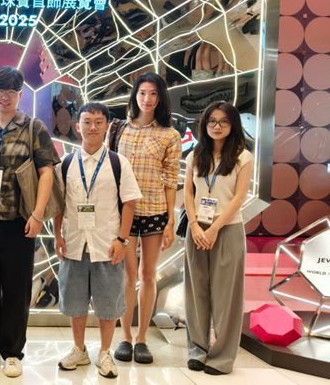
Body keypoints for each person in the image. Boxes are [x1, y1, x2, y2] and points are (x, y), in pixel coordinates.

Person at [0, 67, 61, 378]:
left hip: (20, 222)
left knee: (17, 289)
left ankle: (12, 352)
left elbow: (46, 172)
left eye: (11, 91)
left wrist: (38, 214)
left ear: (20, 95)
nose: (4, 97)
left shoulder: (33, 127)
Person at [54, 103, 142, 378]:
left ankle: (105, 352)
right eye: (87, 122)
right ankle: (79, 349)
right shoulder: (66, 163)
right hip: (74, 242)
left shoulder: (118, 162)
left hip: (107, 244)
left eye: (99, 122)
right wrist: (57, 235)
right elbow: (58, 204)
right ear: (77, 126)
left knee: (108, 301)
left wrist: (122, 240)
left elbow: (130, 203)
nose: (92, 127)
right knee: (75, 300)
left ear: (106, 126)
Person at [110, 72, 181, 364]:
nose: (147, 99)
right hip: (123, 212)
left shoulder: (170, 135)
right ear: (134, 95)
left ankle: (142, 339)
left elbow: (171, 180)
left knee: (148, 275)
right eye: (142, 93)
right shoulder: (119, 129)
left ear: (160, 98)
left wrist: (170, 221)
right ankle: (125, 337)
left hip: (154, 211)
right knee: (128, 276)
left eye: (153, 93)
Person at [184, 102, 252, 375]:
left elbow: (239, 197)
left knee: (227, 296)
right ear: (204, 124)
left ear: (233, 125)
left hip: (227, 229)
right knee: (196, 293)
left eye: (224, 121)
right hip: (196, 229)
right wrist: (194, 225)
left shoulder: (242, 156)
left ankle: (222, 357)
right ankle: (197, 350)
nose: (217, 126)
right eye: (212, 121)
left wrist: (214, 229)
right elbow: (188, 192)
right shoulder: (195, 155)